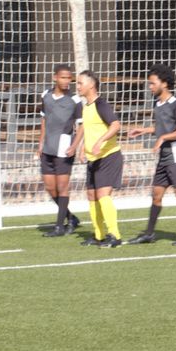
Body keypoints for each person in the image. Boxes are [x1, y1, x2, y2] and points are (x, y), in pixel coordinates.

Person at [126, 64, 176, 246]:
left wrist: (163, 138)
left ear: (164, 84)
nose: (150, 87)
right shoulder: (158, 104)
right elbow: (161, 128)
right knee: (156, 194)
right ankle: (149, 234)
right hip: (165, 157)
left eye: (152, 83)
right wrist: (143, 130)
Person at [72, 70, 125, 248]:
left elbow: (116, 125)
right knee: (92, 195)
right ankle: (99, 235)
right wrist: (80, 148)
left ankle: (115, 236)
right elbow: (88, 128)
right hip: (93, 158)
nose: (77, 86)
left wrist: (101, 141)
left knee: (103, 195)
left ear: (91, 86)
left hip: (108, 156)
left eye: (80, 83)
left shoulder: (101, 104)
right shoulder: (86, 106)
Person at [37, 64, 82, 237]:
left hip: (64, 148)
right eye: (63, 77)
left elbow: (81, 125)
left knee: (62, 187)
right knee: (50, 187)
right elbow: (43, 119)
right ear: (55, 77)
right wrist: (40, 143)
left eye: (69, 78)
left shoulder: (75, 100)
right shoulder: (46, 96)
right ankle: (70, 218)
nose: (66, 81)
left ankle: (59, 227)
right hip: (48, 147)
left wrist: (75, 145)